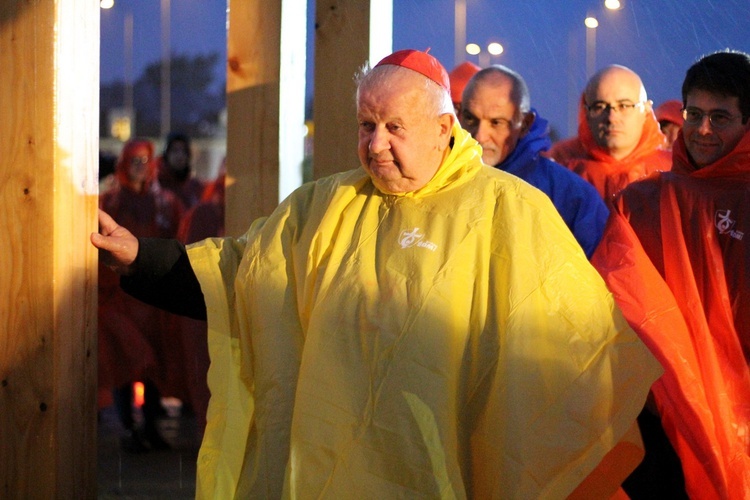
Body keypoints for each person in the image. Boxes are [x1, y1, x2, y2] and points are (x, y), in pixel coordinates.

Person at [92, 50, 661, 498]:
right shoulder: (322, 205)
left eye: (394, 126)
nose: (377, 144)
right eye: (367, 125)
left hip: (448, 467)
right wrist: (140, 256)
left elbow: (574, 339)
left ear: (444, 128)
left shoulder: (509, 209)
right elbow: (241, 274)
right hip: (330, 471)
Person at [591, 49, 750, 498]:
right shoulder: (641, 203)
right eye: (694, 114)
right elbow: (610, 307)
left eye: (720, 117)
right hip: (659, 411)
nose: (701, 130)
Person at [460, 65, 609, 258]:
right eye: (470, 119)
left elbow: (598, 274)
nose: (480, 136)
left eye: (496, 123)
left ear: (525, 124)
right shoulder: (438, 180)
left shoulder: (569, 196)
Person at [98, 138, 185, 451]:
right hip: (119, 297)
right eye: (133, 159)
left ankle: (148, 425)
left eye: (144, 159)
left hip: (153, 299)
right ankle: (128, 428)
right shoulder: (109, 202)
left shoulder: (166, 203)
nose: (139, 166)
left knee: (153, 367)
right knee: (124, 362)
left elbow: (179, 241)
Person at [547, 65, 672, 203]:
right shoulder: (564, 177)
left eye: (624, 106)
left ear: (646, 110)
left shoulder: (673, 172)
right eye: (600, 107)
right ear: (586, 113)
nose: (611, 117)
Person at [158, 131, 206, 210]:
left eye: (184, 151)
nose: (180, 156)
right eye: (175, 150)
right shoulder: (158, 186)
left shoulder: (195, 187)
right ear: (167, 154)